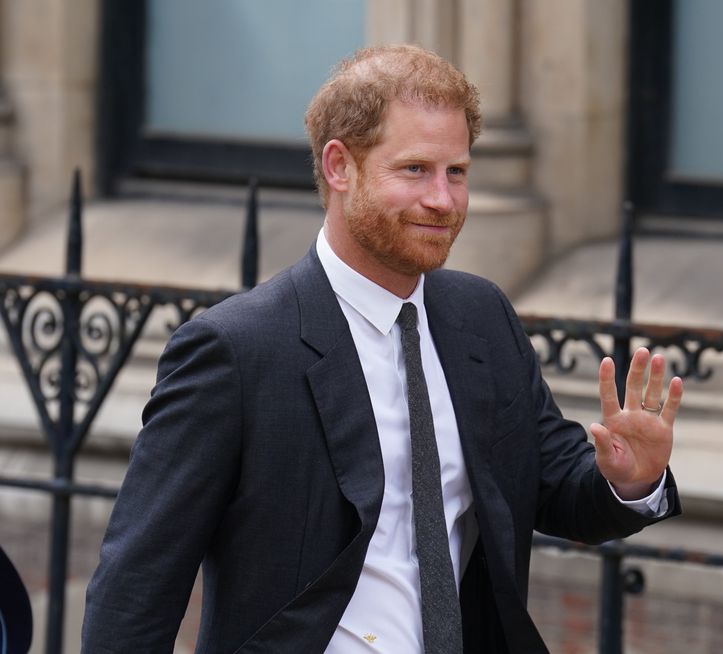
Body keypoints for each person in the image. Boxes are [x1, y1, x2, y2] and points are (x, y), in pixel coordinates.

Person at [82, 44, 683, 653]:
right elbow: (135, 590)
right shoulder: (235, 351)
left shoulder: (482, 316)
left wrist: (630, 480)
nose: (443, 200)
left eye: (457, 172)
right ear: (340, 167)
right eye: (415, 169)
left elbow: (555, 487)